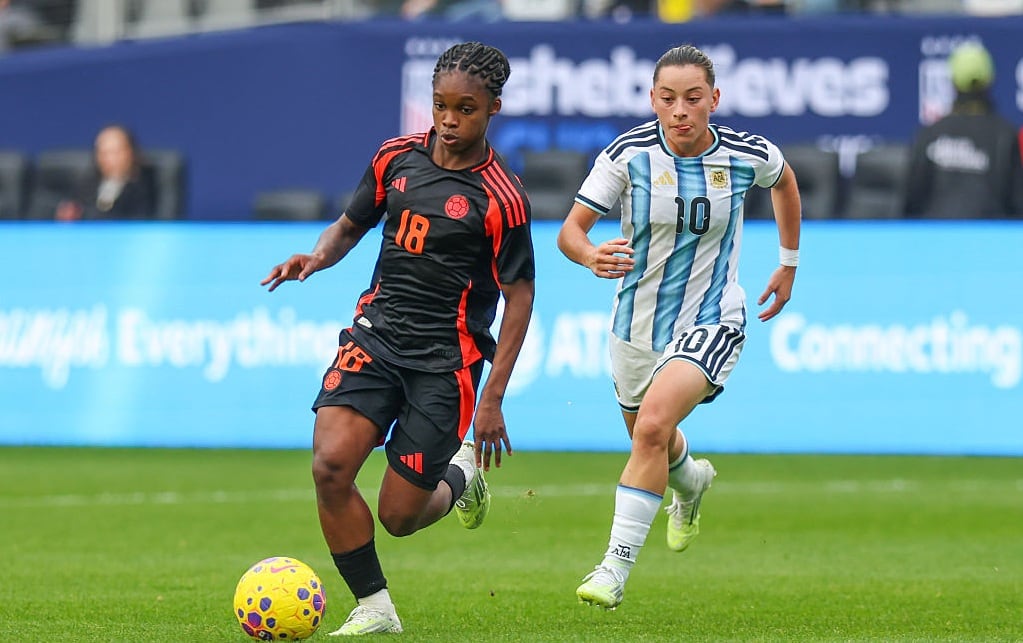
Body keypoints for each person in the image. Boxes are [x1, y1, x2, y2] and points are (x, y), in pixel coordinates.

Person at [261, 41, 535, 636]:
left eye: (466, 108)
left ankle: (463, 478)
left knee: (399, 517)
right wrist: (317, 257)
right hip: (375, 339)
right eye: (440, 105)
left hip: (446, 363)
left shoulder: (503, 199)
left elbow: (520, 299)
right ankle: (375, 607)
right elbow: (350, 225)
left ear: (493, 109)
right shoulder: (395, 158)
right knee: (331, 467)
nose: (449, 119)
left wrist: (491, 399)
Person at [557, 43, 801, 610]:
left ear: (715, 99)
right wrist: (590, 255)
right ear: (653, 100)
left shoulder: (746, 154)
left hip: (713, 317)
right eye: (668, 99)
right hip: (636, 324)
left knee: (651, 428)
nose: (681, 110)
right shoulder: (627, 155)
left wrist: (788, 264)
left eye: (694, 98)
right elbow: (571, 230)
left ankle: (612, 571)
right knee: (652, 438)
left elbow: (785, 183)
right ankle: (689, 483)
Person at [903, 41, 1023, 219]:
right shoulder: (1005, 135)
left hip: (934, 239)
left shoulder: (929, 134)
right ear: (990, 80)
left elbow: (911, 202)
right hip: (991, 241)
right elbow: (1017, 204)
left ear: (953, 82)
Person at [55, 124, 157, 221]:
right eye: (103, 153)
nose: (109, 159)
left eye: (115, 152)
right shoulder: (86, 185)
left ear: (130, 152)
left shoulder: (146, 186)